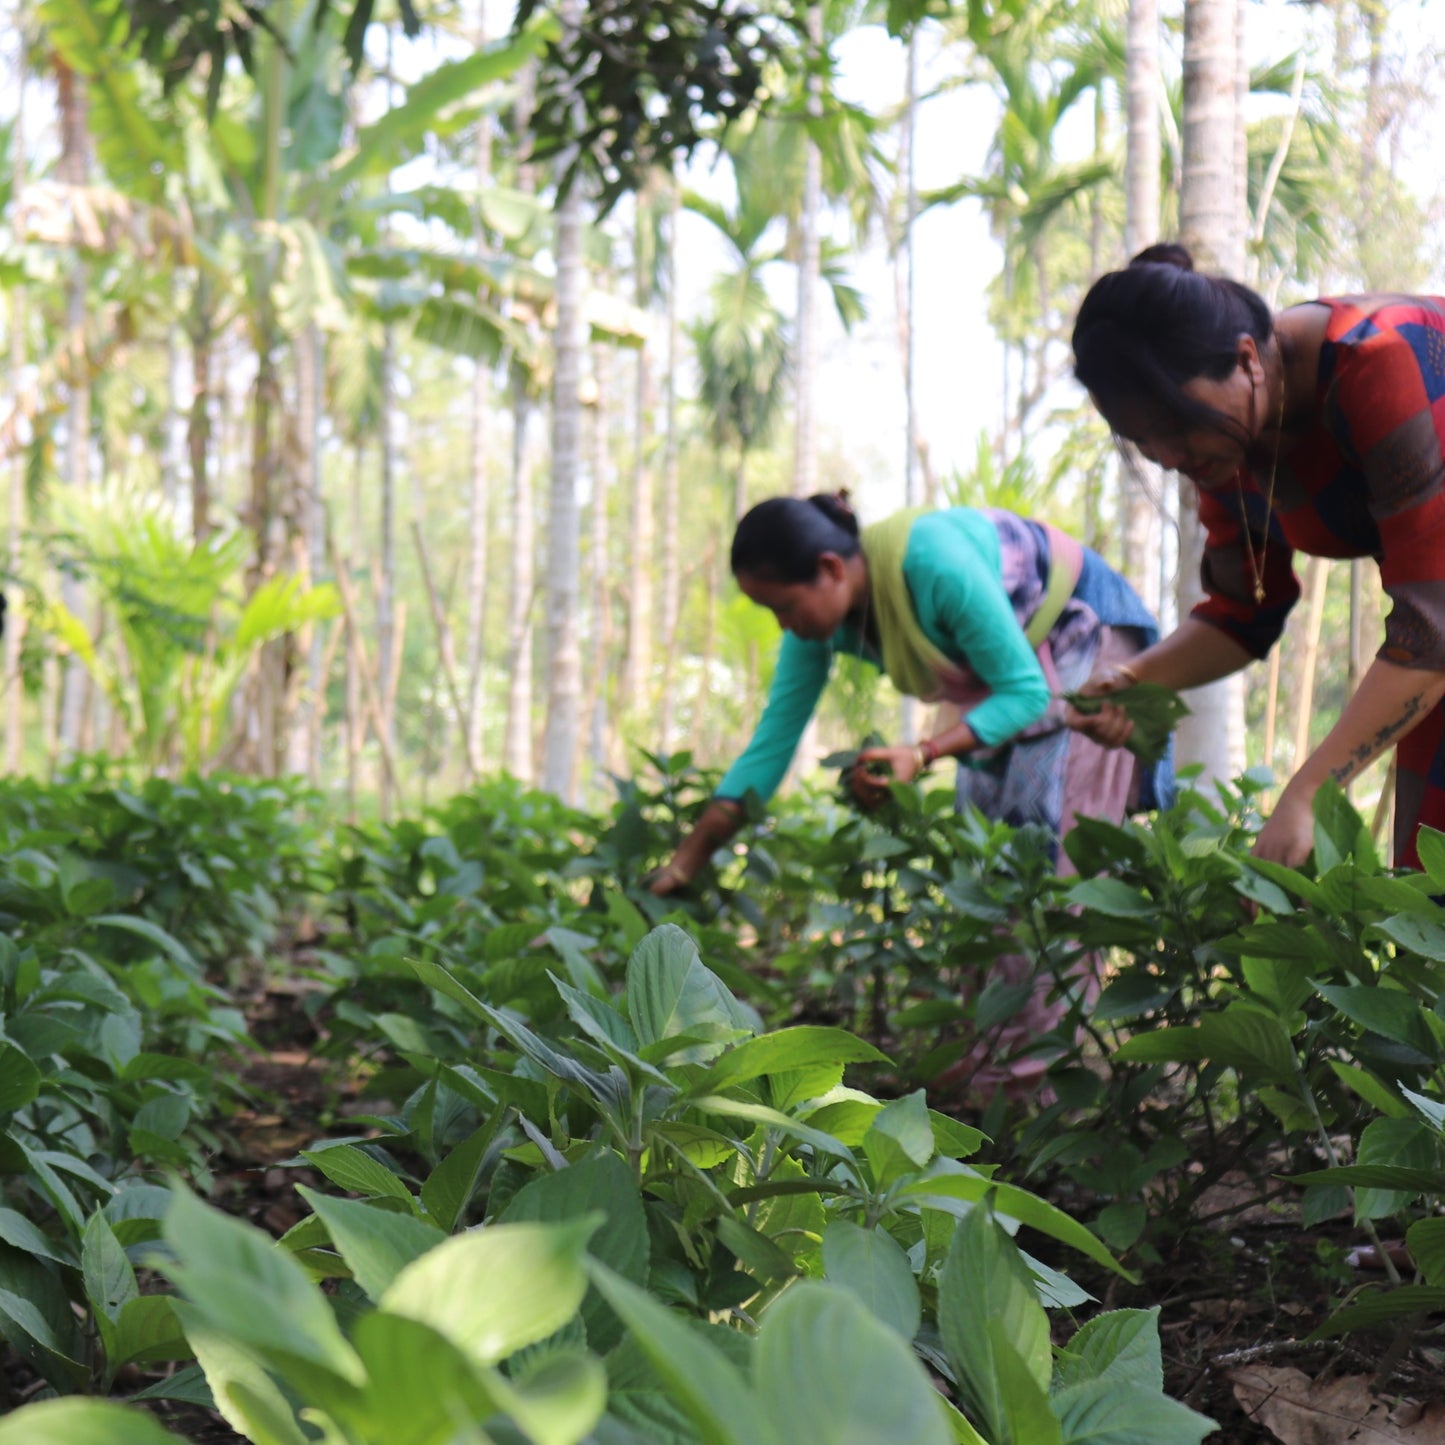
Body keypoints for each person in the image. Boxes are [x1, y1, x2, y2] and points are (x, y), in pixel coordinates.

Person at [649, 492, 1172, 1096]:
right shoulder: (820, 628)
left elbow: (1026, 693)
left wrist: (922, 754)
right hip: (1003, 677)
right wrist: (688, 858)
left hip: (1083, 647)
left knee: (1053, 868)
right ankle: (989, 1061)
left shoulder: (932, 565)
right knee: (989, 872)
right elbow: (772, 745)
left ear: (830, 569)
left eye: (784, 607)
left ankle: (1039, 1083)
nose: (783, 625)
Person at [1070, 244, 1445, 870]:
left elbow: (1432, 627)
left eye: (1174, 424)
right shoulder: (1224, 448)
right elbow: (1242, 612)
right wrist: (1136, 681)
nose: (1166, 455)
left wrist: (1307, 793)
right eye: (1143, 439)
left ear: (1247, 359)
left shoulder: (1379, 361)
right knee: (1430, 894)